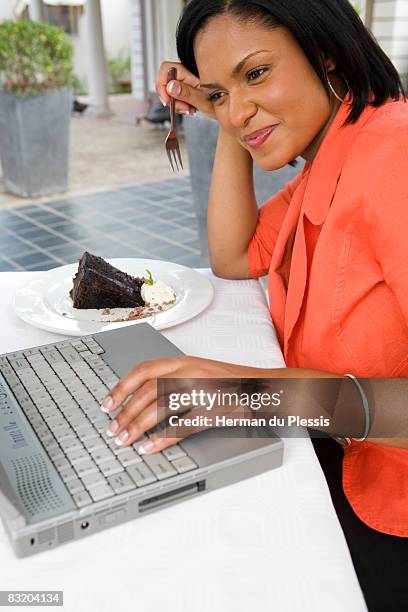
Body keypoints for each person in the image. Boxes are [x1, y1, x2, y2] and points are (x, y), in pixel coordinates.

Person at [100, 1, 408, 609]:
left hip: (388, 514)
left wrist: (245, 395)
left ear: (326, 52)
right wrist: (228, 118)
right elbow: (235, 255)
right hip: (339, 463)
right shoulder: (335, 155)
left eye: (257, 73)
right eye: (218, 92)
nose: (237, 110)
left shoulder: (393, 160)